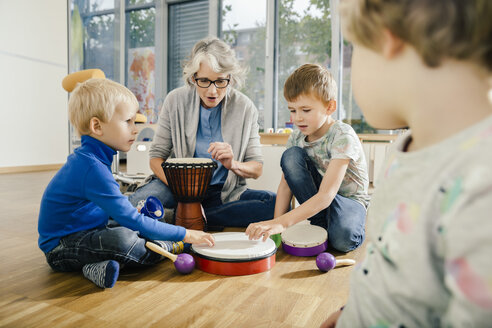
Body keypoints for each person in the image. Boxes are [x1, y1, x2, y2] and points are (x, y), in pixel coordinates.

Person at [320, 0, 492, 327]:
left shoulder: (482, 184)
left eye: (355, 46)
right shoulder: (406, 149)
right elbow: (388, 260)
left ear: (389, 36)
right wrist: (354, 311)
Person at [38, 78, 214, 289]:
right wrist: (186, 234)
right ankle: (173, 246)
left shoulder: (95, 159)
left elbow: (112, 207)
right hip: (61, 248)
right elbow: (132, 220)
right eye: (128, 121)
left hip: (90, 229)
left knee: (130, 224)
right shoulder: (90, 167)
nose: (135, 129)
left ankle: (96, 267)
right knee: (125, 240)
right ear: (97, 126)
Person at [129, 36, 276, 228]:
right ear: (193, 78)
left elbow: (256, 168)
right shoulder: (175, 101)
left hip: (223, 193)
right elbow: (156, 158)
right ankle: (193, 218)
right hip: (177, 186)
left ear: (230, 78)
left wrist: (233, 164)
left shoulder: (245, 108)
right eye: (204, 81)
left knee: (274, 204)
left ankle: (181, 219)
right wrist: (182, 190)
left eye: (221, 81)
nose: (213, 91)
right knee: (132, 207)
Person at [246, 64, 369, 253]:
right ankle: (321, 220)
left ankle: (337, 224)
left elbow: (327, 195)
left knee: (344, 241)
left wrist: (281, 223)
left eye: (305, 110)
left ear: (330, 107)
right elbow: (286, 185)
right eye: (293, 110)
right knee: (291, 156)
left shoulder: (343, 134)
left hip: (348, 200)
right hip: (321, 198)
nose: (297, 118)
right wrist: (276, 230)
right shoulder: (296, 137)